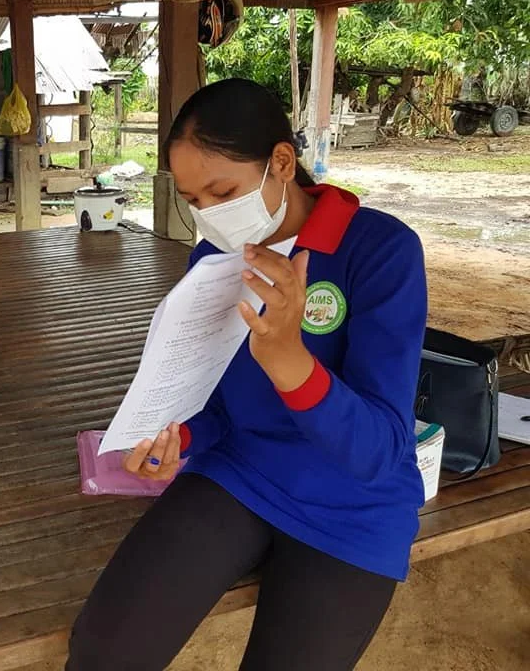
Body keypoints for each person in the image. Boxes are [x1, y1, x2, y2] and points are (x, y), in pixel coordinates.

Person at [67, 78, 428, 671]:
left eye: (223, 192)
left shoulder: (379, 251)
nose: (209, 215)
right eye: (193, 199)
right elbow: (218, 401)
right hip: (239, 474)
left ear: (281, 162)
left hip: (351, 506)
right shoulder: (215, 256)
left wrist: (290, 361)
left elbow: (377, 453)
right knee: (103, 652)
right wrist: (180, 436)